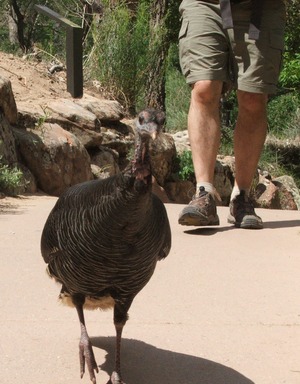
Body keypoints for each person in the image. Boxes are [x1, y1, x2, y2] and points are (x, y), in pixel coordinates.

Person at [178, 0, 286, 229]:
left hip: (260, 8)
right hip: (205, 4)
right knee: (204, 87)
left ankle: (242, 198)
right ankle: (203, 193)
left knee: (253, 98)